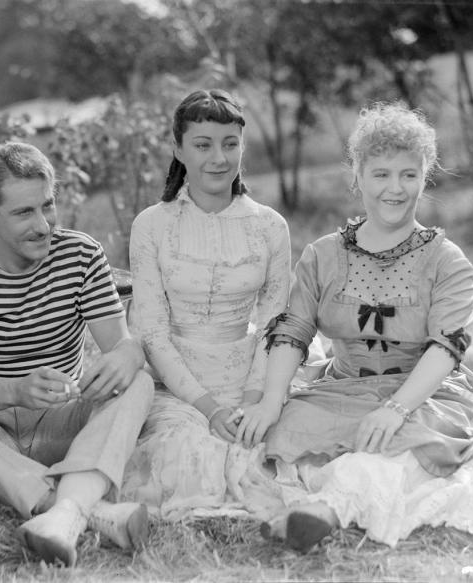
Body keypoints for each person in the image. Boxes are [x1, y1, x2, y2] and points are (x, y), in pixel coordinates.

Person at [248, 102, 473, 551]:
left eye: (408, 175)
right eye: (381, 174)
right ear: (357, 176)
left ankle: (329, 509)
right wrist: (272, 400)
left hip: (426, 395)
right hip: (342, 388)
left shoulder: (446, 262)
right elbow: (293, 331)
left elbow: (445, 348)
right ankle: (322, 502)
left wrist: (396, 407)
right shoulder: (321, 256)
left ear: (424, 176)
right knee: (283, 438)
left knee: (404, 442)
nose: (396, 188)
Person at [0, 141, 154, 567]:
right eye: (24, 212)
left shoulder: (81, 255)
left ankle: (67, 508)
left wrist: (129, 354)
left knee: (137, 380)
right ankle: (67, 507)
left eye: (48, 206)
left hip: (64, 422)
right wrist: (14, 390)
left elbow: (121, 343)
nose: (43, 225)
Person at [119, 89, 292, 519]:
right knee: (183, 452)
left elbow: (275, 322)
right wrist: (210, 408)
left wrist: (254, 399)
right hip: (177, 381)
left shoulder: (270, 226)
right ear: (178, 149)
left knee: (281, 447)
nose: (219, 158)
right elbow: (152, 334)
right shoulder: (151, 226)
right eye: (203, 145)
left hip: (251, 370)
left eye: (230, 144)